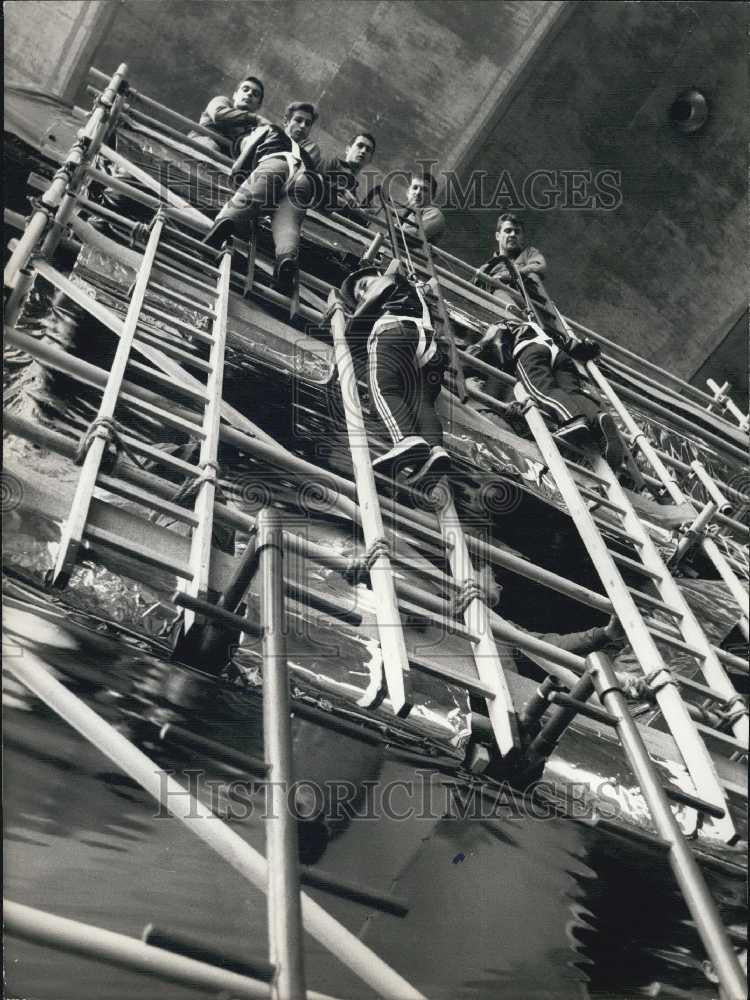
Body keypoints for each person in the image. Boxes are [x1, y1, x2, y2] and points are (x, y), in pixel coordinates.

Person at [339, 262, 451, 483]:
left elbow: (361, 318)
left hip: (395, 331)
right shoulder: (414, 293)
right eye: (359, 294)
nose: (362, 293)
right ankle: (435, 450)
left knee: (382, 387)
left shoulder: (388, 281)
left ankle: (406, 439)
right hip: (429, 347)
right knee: (422, 402)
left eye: (363, 285)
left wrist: (349, 330)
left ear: (378, 274)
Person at [202, 101, 319, 292]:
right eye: (298, 120)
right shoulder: (308, 156)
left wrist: (237, 175)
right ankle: (285, 260)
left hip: (277, 163)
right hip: (305, 178)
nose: (303, 126)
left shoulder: (270, 130)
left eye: (307, 123)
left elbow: (247, 153)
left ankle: (222, 228)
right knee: (288, 225)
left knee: (244, 201)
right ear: (287, 121)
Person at [188, 76, 269, 156]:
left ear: (258, 105)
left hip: (224, 160)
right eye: (245, 89)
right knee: (211, 146)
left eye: (255, 94)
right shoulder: (222, 101)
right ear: (235, 95)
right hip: (202, 145)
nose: (249, 93)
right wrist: (255, 118)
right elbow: (218, 115)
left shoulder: (252, 129)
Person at [474, 213, 546, 294]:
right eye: (508, 231)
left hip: (527, 298)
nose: (513, 234)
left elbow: (538, 266)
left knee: (533, 275)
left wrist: (509, 276)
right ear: (497, 236)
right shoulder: (486, 268)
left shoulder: (529, 253)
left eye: (517, 232)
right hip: (498, 299)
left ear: (522, 237)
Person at [398, 169, 446, 244]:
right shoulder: (408, 213)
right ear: (408, 192)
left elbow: (415, 235)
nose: (418, 193)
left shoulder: (435, 214)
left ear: (432, 196)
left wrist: (394, 229)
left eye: (424, 190)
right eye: (415, 188)